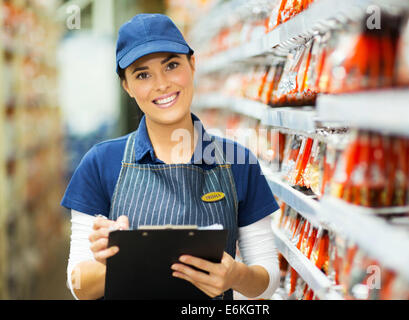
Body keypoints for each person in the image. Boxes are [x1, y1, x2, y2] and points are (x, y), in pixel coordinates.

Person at [61, 13, 280, 300]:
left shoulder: (238, 161)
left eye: (172, 65)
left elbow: (268, 277)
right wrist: (116, 261)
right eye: (142, 74)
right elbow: (77, 284)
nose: (161, 84)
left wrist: (236, 276)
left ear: (192, 64)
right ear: (126, 86)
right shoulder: (100, 163)